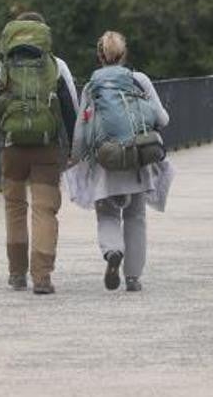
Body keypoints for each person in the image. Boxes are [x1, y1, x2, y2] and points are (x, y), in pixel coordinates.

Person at [0, 12, 78, 295]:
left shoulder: (2, 69)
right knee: (44, 210)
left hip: (12, 149)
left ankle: (17, 273)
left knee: (15, 210)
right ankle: (42, 277)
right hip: (46, 149)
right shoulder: (57, 66)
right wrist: (73, 149)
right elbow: (71, 108)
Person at [64, 31, 173, 292]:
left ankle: (113, 251)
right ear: (124, 54)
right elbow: (163, 118)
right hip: (137, 157)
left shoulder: (92, 87)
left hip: (106, 161)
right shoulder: (139, 80)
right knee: (136, 216)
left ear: (99, 56)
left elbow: (81, 132)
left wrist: (74, 159)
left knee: (108, 215)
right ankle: (133, 277)